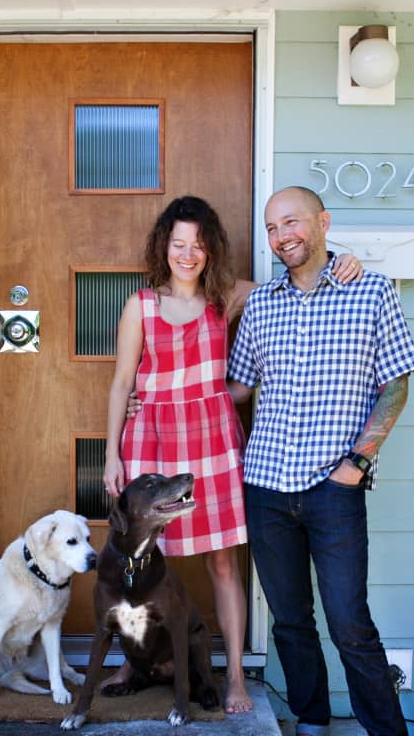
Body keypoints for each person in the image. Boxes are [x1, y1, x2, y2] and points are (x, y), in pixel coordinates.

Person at [103, 195, 362, 715]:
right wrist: (112, 454)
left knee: (223, 561)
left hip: (213, 441)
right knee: (139, 559)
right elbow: (121, 382)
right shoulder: (141, 305)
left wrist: (347, 259)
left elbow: (300, 274)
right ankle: (132, 660)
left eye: (198, 245)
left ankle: (237, 678)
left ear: (211, 249)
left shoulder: (229, 297)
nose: (188, 254)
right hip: (152, 440)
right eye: (179, 244)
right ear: (164, 247)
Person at [226, 186, 414, 736]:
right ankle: (311, 720)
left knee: (349, 623)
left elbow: (396, 385)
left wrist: (357, 462)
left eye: (291, 222)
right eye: (271, 228)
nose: (282, 235)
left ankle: (386, 730)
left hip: (335, 486)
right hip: (265, 484)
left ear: (323, 222)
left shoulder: (372, 291)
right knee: (290, 622)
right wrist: (164, 392)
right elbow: (238, 389)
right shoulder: (263, 302)